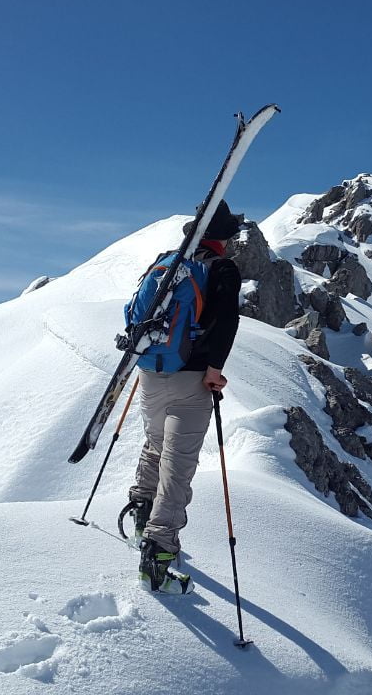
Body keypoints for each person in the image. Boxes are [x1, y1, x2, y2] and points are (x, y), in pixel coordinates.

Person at [125, 200, 243, 594]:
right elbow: (226, 320)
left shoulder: (168, 261)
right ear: (223, 236)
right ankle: (158, 554)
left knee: (155, 445)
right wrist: (214, 370)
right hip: (191, 380)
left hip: (151, 370)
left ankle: (141, 511)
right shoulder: (222, 268)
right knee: (179, 466)